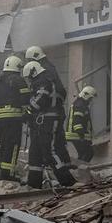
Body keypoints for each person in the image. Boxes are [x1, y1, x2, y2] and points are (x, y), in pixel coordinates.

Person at [23, 60, 75, 189]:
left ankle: (67, 181)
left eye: (29, 77)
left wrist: (28, 109)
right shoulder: (41, 81)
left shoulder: (43, 81)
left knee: (49, 151)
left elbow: (39, 102)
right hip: (41, 122)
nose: (29, 80)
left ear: (33, 72)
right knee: (35, 152)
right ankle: (34, 184)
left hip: (48, 121)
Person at [26, 46, 70, 169]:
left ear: (35, 58)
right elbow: (61, 92)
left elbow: (42, 96)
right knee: (57, 144)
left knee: (48, 147)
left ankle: (64, 178)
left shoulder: (43, 72)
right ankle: (63, 170)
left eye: (29, 60)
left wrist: (32, 106)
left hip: (46, 116)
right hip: (55, 113)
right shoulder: (50, 69)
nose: (28, 64)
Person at [0, 55, 28, 181]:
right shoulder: (19, 80)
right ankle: (9, 175)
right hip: (14, 117)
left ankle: (4, 171)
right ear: (17, 67)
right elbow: (26, 99)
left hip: (0, 118)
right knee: (14, 145)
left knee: (4, 144)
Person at [66, 85, 97, 163]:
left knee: (83, 154)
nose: (90, 100)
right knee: (88, 153)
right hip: (77, 135)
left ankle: (78, 170)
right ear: (85, 95)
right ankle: (80, 170)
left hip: (77, 135)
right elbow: (77, 122)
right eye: (90, 98)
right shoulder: (80, 105)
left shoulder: (80, 104)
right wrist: (82, 137)